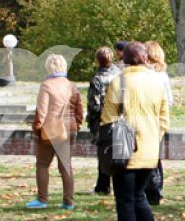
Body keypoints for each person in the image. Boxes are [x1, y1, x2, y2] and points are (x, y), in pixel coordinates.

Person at [98, 41, 170, 221]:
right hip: (150, 150)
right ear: (145, 58)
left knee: (125, 203)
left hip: (125, 151)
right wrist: (152, 138)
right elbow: (164, 118)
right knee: (139, 197)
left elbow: (108, 118)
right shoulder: (157, 82)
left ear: (124, 59)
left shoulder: (118, 81)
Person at [30, 53, 83, 209]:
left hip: (50, 131)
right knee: (66, 166)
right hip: (69, 129)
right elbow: (79, 109)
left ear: (48, 67)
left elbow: (41, 111)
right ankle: (68, 201)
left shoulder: (46, 85)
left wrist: (37, 128)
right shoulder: (72, 85)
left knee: (43, 164)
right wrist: (77, 125)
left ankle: (42, 199)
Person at [86, 46, 121, 197]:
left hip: (102, 122)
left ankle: (103, 186)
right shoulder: (120, 76)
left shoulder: (97, 79)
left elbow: (94, 105)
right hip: (119, 119)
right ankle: (118, 185)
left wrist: (93, 120)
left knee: (103, 155)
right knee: (119, 153)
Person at [142, 43, 170, 206]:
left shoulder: (147, 75)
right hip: (158, 120)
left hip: (148, 119)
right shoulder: (163, 75)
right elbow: (169, 100)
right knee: (156, 157)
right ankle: (156, 187)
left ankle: (151, 189)